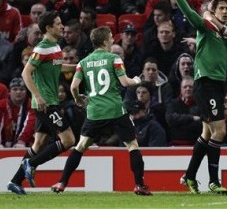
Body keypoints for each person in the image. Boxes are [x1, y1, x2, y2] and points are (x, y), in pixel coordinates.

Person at [50, 26, 152, 195]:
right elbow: (125, 83)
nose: (113, 39)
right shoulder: (114, 59)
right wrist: (136, 80)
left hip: (95, 111)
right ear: (105, 41)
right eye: (111, 37)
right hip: (115, 110)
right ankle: (139, 185)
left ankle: (62, 182)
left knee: (81, 146)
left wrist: (78, 99)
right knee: (132, 146)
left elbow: (74, 86)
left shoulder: (84, 62)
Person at [167, 0, 227, 194]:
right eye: (221, 8)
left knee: (207, 133)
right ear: (213, 11)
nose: (225, 11)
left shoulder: (226, 32)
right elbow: (192, 15)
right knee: (220, 131)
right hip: (205, 83)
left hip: (217, 85)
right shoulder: (206, 27)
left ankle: (189, 175)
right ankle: (214, 181)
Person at [7, 10, 77, 195]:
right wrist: (37, 96)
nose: (62, 26)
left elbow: (58, 67)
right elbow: (25, 73)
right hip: (46, 103)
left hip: (49, 102)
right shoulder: (41, 48)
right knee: (69, 140)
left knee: (38, 144)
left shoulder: (55, 47)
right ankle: (32, 164)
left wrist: (79, 67)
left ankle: (14, 182)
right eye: (58, 23)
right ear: (48, 28)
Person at [166, 76, 202, 146]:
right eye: (185, 87)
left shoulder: (201, 104)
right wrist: (192, 118)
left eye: (190, 87)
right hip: (175, 145)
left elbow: (202, 125)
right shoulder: (173, 103)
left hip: (196, 144)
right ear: (181, 89)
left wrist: (178, 124)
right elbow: (170, 119)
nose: (188, 89)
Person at [0, 77, 36, 148]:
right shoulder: (2, 104)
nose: (18, 92)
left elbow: (31, 123)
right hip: (4, 141)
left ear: (26, 92)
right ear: (9, 92)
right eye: (15, 89)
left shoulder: (32, 104)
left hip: (26, 143)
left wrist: (22, 141)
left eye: (22, 89)